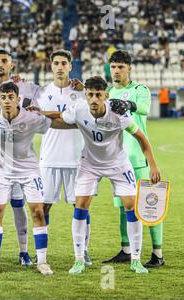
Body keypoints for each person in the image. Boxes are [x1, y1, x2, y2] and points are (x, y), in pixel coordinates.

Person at [42, 76, 161, 274]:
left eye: (98, 95)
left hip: (118, 164)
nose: (94, 99)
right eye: (90, 94)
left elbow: (141, 138)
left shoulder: (119, 115)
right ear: (85, 95)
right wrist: (37, 113)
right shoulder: (78, 108)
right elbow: (58, 117)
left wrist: (154, 165)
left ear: (106, 96)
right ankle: (79, 259)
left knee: (131, 206)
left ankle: (136, 260)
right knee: (80, 206)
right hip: (89, 164)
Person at [0, 82, 76, 275]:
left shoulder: (31, 117)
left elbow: (57, 122)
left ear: (18, 99)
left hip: (29, 171)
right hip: (2, 172)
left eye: (11, 97)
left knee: (38, 213)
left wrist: (84, 123)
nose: (7, 101)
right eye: (3, 97)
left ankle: (42, 261)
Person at [104, 50, 165, 268]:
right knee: (124, 206)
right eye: (113, 67)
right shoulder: (109, 92)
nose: (116, 71)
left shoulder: (140, 90)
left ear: (129, 68)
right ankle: (126, 250)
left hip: (139, 158)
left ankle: (157, 253)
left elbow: (145, 109)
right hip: (117, 161)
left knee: (150, 204)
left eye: (121, 67)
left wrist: (129, 105)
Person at [34, 49, 90, 265]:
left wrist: (53, 118)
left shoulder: (82, 93)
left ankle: (83, 250)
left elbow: (83, 121)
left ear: (70, 66)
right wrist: (67, 119)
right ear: (51, 66)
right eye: (56, 63)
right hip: (49, 158)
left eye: (63, 63)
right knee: (43, 207)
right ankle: (42, 254)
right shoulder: (41, 93)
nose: (59, 67)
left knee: (81, 206)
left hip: (77, 159)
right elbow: (37, 119)